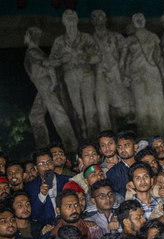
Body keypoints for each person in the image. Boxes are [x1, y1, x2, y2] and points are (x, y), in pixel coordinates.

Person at [24, 26, 78, 151]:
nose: (24, 38)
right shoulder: (35, 51)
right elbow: (48, 66)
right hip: (42, 84)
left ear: (29, 36)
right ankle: (42, 147)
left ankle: (71, 145)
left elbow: (47, 63)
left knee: (57, 112)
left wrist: (54, 78)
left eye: (26, 35)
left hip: (44, 83)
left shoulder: (32, 52)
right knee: (35, 115)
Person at [50, 9, 102, 139]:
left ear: (77, 19)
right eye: (67, 17)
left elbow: (98, 56)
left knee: (90, 106)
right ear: (63, 21)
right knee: (77, 108)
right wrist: (62, 60)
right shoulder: (59, 41)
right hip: (70, 75)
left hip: (86, 73)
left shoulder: (86, 38)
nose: (71, 18)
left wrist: (86, 58)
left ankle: (94, 137)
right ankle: (84, 139)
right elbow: (51, 60)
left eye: (73, 16)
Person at [120, 13, 164, 137]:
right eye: (136, 18)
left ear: (145, 20)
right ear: (133, 21)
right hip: (136, 73)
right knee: (141, 103)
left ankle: (162, 133)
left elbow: (158, 57)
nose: (139, 20)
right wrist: (124, 75)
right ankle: (146, 134)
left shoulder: (153, 37)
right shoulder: (129, 40)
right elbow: (123, 60)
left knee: (157, 101)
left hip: (152, 71)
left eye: (141, 17)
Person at [91, 10, 130, 131]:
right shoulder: (89, 39)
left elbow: (125, 48)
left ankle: (129, 131)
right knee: (102, 107)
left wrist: (123, 67)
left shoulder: (115, 36)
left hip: (115, 72)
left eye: (101, 16)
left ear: (105, 18)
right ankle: (106, 136)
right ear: (92, 21)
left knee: (123, 105)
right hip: (99, 74)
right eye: (95, 17)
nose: (98, 18)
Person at [25, 148, 69, 225]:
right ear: (36, 168)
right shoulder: (30, 188)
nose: (47, 166)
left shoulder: (66, 181)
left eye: (49, 162)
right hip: (46, 228)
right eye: (41, 164)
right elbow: (34, 216)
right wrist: (42, 195)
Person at [107, 130, 138, 198]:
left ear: (135, 147)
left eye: (126, 145)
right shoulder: (112, 173)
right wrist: (125, 189)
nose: (123, 149)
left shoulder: (144, 166)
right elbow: (114, 196)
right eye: (119, 147)